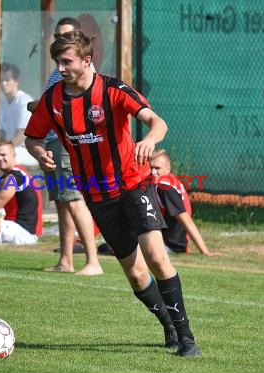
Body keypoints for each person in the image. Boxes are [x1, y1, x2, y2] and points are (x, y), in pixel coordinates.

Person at [24, 31, 201, 356]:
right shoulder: (52, 101)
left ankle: (187, 337)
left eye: (67, 61)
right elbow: (32, 137)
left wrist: (149, 140)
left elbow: (156, 121)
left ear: (87, 60)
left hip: (134, 184)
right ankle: (167, 323)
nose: (60, 68)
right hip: (97, 194)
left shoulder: (113, 90)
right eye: (57, 62)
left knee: (157, 258)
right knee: (135, 274)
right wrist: (39, 153)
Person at [28, 17, 103, 276]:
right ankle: (66, 259)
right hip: (49, 140)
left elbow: (55, 105)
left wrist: (35, 106)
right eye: (58, 35)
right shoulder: (58, 70)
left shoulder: (80, 72)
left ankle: (93, 261)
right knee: (62, 201)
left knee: (73, 199)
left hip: (64, 141)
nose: (62, 38)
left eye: (67, 34)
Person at [150, 150, 220, 256]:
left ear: (168, 168)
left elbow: (186, 219)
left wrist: (205, 251)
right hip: (170, 243)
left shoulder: (165, 187)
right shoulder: (167, 181)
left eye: (157, 168)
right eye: (151, 167)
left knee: (125, 248)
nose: (153, 172)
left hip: (171, 246)